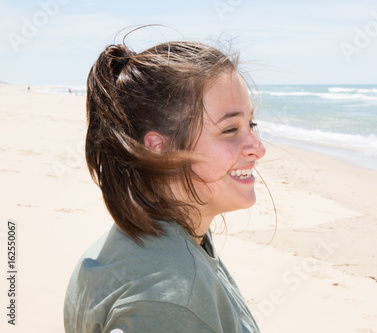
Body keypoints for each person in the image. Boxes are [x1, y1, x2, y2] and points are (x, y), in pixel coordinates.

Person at [64, 35, 265, 332]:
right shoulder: (172, 300)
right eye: (230, 129)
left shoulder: (132, 242)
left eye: (252, 124)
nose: (258, 148)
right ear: (159, 147)